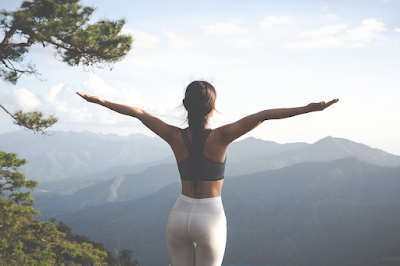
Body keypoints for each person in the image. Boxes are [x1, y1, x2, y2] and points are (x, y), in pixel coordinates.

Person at [77, 81, 338, 266]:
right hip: (210, 218)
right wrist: (309, 108)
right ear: (213, 107)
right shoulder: (222, 136)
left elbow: (140, 114)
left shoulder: (173, 135)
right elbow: (264, 115)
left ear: (184, 105)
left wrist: (99, 101)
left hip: (178, 216)